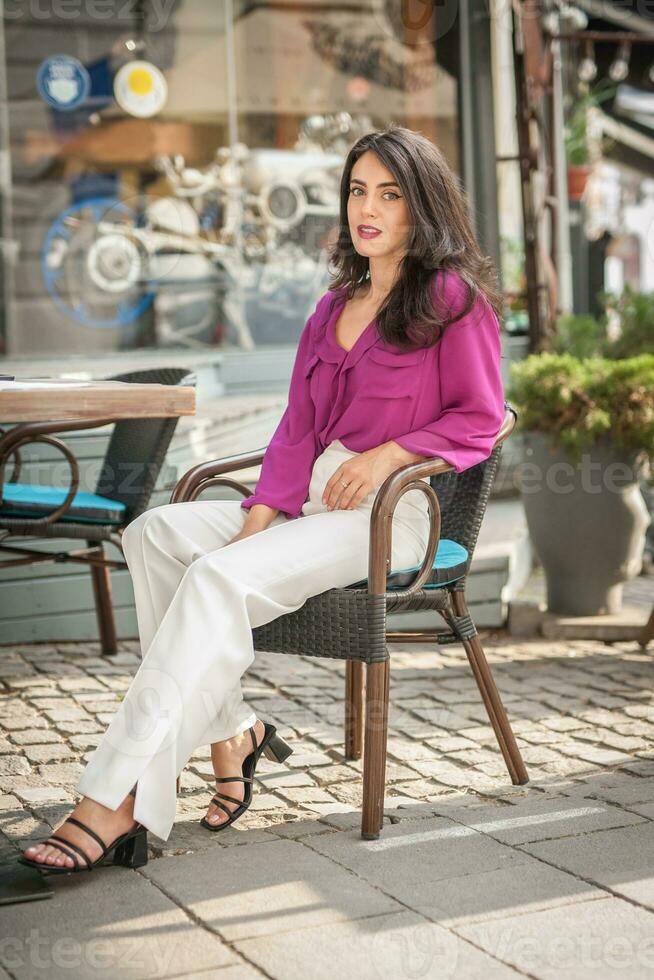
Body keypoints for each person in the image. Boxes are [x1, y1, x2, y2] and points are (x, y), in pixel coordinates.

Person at [19, 124, 506, 873]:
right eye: (356, 191)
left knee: (217, 579)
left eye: (389, 194)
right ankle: (235, 731)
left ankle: (114, 799)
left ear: (422, 208)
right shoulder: (331, 306)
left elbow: (480, 417)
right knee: (155, 534)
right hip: (311, 500)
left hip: (391, 512)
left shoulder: (450, 300)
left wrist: (387, 455)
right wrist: (257, 518)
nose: (367, 209)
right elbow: (295, 432)